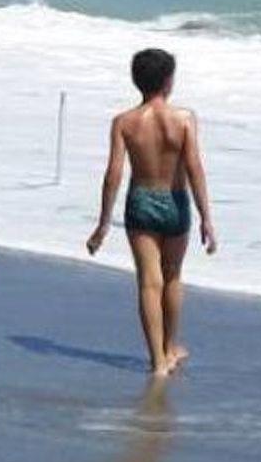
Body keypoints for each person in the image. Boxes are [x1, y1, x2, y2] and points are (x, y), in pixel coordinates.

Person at [86, 47, 217, 376]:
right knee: (172, 275)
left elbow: (113, 174)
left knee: (148, 282)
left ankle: (157, 361)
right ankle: (169, 348)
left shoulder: (124, 122)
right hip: (175, 200)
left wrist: (103, 224)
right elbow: (195, 168)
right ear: (168, 81)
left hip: (141, 200)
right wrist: (206, 218)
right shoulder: (184, 119)